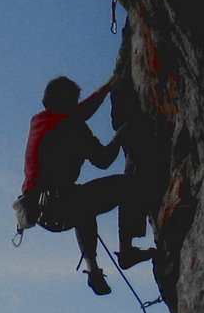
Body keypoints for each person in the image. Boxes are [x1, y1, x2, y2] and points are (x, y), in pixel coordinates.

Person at [22, 74, 154, 295]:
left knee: (82, 205)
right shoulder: (72, 126)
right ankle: (126, 250)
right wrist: (121, 134)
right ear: (69, 102)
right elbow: (103, 160)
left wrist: (105, 89)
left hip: (39, 209)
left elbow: (79, 112)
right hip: (56, 200)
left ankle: (93, 270)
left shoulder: (39, 121)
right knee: (130, 186)